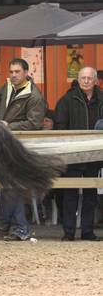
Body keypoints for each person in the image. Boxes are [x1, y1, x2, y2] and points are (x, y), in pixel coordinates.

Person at [0, 58, 46, 241]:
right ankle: (6, 226)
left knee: (12, 186)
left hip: (20, 147)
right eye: (11, 71)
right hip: (4, 144)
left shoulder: (34, 96)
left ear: (26, 73)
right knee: (8, 186)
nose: (13, 75)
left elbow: (35, 123)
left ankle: (16, 228)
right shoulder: (6, 88)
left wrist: (9, 126)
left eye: (17, 72)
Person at [54, 66, 102, 241]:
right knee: (70, 193)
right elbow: (59, 125)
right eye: (83, 78)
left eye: (90, 78)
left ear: (96, 80)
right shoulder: (67, 100)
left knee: (90, 193)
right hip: (72, 153)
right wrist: (68, 146)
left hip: (95, 153)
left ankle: (87, 231)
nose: (86, 81)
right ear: (78, 79)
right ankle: (69, 232)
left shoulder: (102, 99)